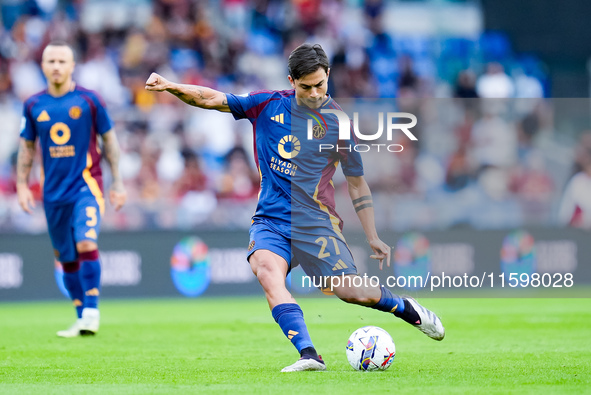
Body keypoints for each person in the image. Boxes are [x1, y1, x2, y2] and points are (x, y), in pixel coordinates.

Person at [145, 43, 444, 372]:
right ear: (291, 81)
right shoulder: (266, 105)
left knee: (350, 292)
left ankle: (405, 308)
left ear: (328, 75)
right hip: (271, 221)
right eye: (306, 87)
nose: (315, 93)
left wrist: (372, 235)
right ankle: (309, 354)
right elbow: (212, 99)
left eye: (320, 84)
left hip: (316, 224)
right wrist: (172, 86)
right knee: (267, 271)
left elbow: (357, 182)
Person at [16, 42, 127, 337]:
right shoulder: (33, 105)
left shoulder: (90, 100)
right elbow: (27, 147)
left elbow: (110, 142)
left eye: (61, 61)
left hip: (86, 186)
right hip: (52, 194)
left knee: (86, 243)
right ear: (42, 66)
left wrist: (117, 182)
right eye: (50, 60)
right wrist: (21, 185)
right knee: (66, 258)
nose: (55, 66)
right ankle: (81, 317)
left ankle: (92, 310)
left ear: (72, 65)